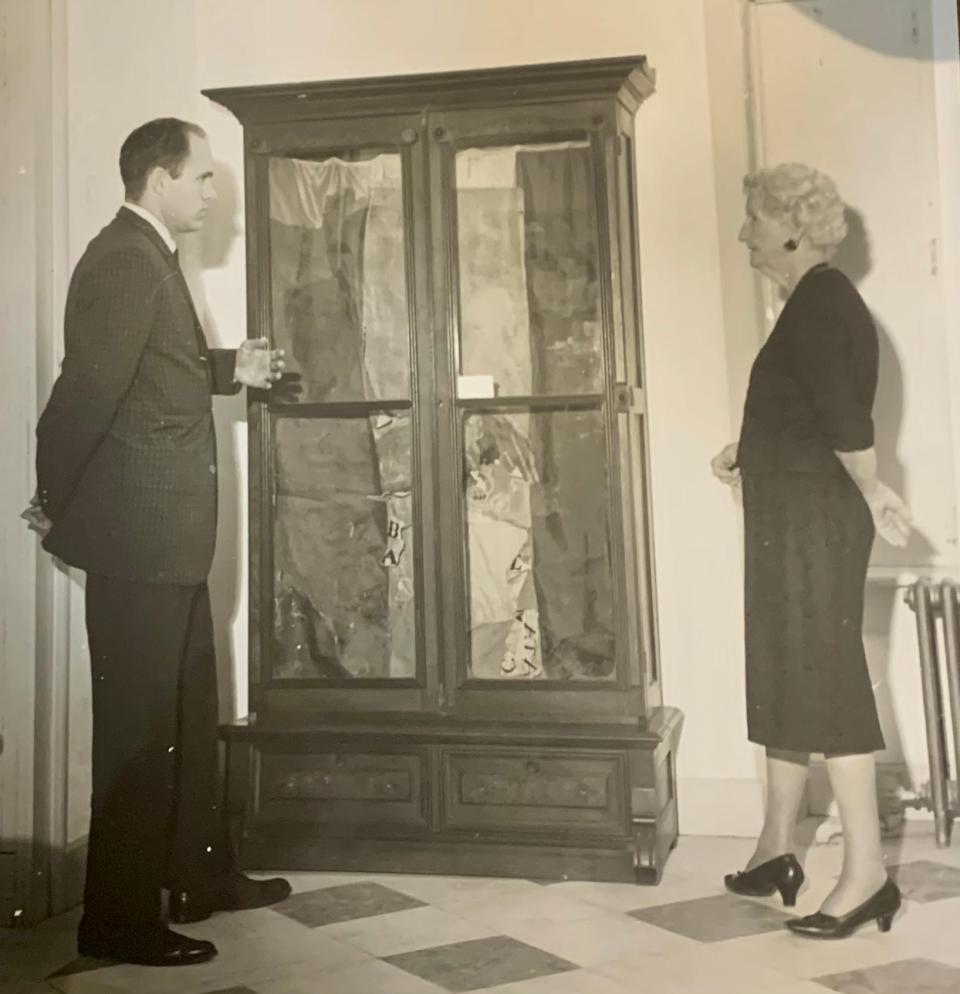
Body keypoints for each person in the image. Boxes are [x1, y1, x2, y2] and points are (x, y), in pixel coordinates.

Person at [23, 118, 291, 967]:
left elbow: (149, 370)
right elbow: (82, 396)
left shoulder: (148, 259)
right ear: (160, 181)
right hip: (139, 548)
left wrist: (226, 368)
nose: (214, 195)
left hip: (169, 545)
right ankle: (117, 919)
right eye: (204, 178)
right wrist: (52, 501)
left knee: (185, 713)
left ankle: (199, 876)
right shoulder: (122, 262)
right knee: (138, 738)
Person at [711, 163, 912, 939]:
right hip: (791, 512)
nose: (742, 235)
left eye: (753, 221)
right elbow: (809, 416)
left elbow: (847, 426)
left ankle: (866, 876)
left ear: (790, 228)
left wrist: (875, 489)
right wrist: (749, 449)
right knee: (785, 666)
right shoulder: (809, 304)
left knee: (823, 677)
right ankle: (776, 849)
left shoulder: (823, 300)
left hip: (816, 521)